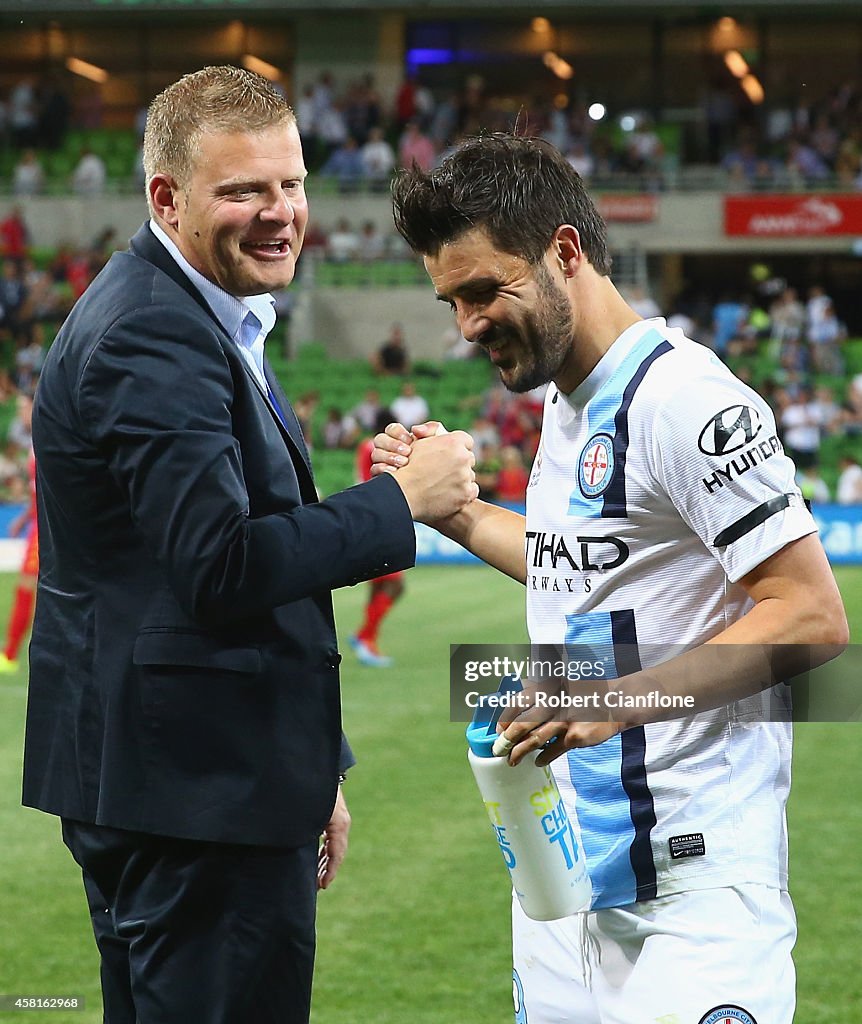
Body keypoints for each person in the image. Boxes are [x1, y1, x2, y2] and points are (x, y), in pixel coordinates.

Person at [23, 65, 478, 1024]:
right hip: (195, 797)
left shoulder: (194, 313)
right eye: (243, 191)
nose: (280, 213)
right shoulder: (154, 331)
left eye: (293, 184)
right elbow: (223, 563)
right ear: (166, 198)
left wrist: (318, 771)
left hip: (199, 782)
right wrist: (400, 502)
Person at [373, 133, 847, 1024]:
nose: (468, 324)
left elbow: (811, 617)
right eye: (452, 301)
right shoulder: (567, 399)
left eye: (484, 290)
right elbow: (579, 569)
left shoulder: (688, 402)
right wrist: (459, 512)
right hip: (564, 880)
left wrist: (614, 702)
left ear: (565, 251)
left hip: (693, 896)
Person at [350, 410, 406, 668]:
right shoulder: (379, 449)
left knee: (377, 586)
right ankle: (364, 636)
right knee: (395, 585)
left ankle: (367, 639)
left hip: (367, 519)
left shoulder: (364, 446)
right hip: (378, 520)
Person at [0, 396, 36, 673]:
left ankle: (10, 653)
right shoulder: (34, 445)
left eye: (25, 407)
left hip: (45, 530)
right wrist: (24, 517)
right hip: (37, 526)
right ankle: (10, 652)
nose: (21, 413)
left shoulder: (48, 440)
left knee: (28, 587)